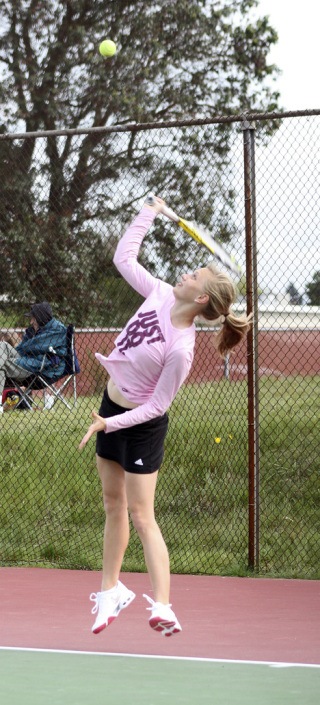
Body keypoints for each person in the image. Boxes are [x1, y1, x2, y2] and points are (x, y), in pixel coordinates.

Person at [79, 196, 252, 637]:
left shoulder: (182, 349)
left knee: (142, 514)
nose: (185, 273)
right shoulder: (157, 292)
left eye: (194, 275)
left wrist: (108, 424)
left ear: (200, 298)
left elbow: (157, 407)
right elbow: (124, 257)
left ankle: (163, 606)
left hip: (139, 425)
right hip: (110, 406)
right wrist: (149, 212)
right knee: (112, 505)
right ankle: (112, 590)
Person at [0, 302, 67, 414]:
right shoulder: (34, 330)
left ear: (41, 318)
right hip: (26, 361)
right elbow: (24, 348)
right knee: (3, 346)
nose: (31, 322)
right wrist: (22, 349)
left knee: (4, 364)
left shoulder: (58, 330)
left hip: (42, 367)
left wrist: (26, 346)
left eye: (33, 319)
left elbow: (36, 345)